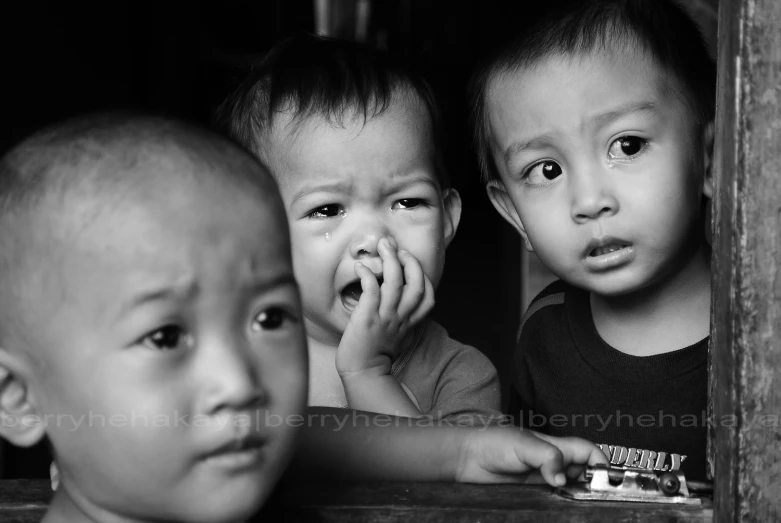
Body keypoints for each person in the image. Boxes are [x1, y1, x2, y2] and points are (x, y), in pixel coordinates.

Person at [0, 112, 607, 521]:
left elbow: (327, 434)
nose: (241, 380)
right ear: (20, 398)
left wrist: (466, 453)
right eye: (166, 335)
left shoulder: (250, 433)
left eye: (269, 318)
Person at [469, 0, 715, 480]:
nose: (588, 200)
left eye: (626, 145)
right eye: (547, 170)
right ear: (514, 213)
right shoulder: (544, 331)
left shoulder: (761, 330)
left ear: (711, 160)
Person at [216, 33, 502, 423]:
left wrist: (368, 374)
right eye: (327, 209)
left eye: (407, 202)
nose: (374, 240)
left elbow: (443, 475)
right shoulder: (238, 361)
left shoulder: (461, 376)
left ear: (447, 219)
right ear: (260, 231)